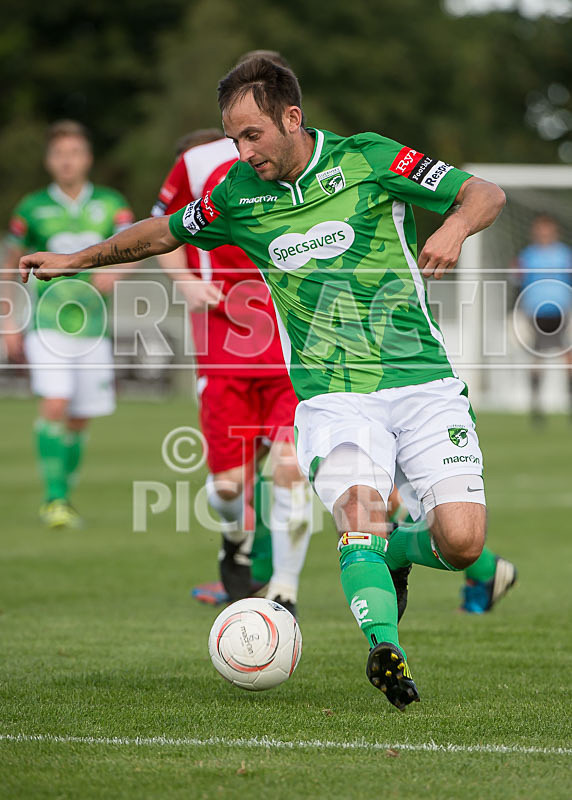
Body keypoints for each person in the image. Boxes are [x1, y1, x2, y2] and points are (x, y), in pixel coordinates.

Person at [19, 58, 507, 711]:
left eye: (252, 135)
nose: (243, 152)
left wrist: (451, 226)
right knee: (360, 516)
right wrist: (75, 259)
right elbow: (161, 232)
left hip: (424, 383)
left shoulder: (369, 159)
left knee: (462, 540)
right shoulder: (235, 194)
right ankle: (385, 648)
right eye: (233, 139)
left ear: (291, 118)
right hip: (333, 397)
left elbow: (485, 195)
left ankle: (404, 552)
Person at [151, 123, 313, 616]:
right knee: (229, 487)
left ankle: (284, 593)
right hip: (225, 346)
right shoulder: (199, 163)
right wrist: (185, 284)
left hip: (292, 346)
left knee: (289, 470)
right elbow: (161, 227)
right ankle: (233, 535)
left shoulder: (312, 158)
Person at [4, 120, 135, 528]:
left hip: (93, 327)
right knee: (56, 402)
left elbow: (139, 245)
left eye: (74, 152)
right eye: (59, 154)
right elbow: (10, 265)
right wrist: (8, 321)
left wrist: (119, 271)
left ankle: (65, 495)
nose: (67, 161)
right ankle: (54, 500)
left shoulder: (112, 204)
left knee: (79, 417)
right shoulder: (31, 208)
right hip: (46, 323)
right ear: (49, 161)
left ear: (87, 158)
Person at [516, 213, 572, 423]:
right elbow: (518, 282)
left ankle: (569, 407)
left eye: (547, 229)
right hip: (535, 311)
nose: (544, 233)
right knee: (536, 358)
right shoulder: (527, 256)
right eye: (540, 229)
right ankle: (536, 408)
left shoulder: (565, 254)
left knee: (568, 358)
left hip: (563, 311)